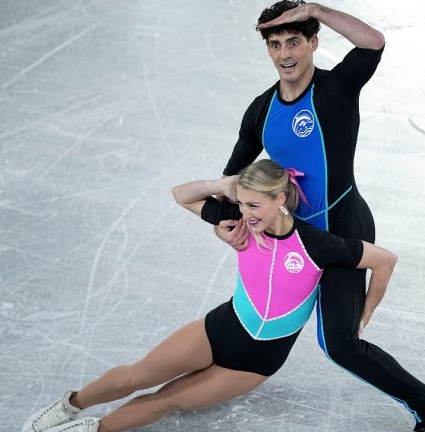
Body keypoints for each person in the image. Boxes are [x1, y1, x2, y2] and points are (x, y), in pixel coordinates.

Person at [216, 2, 425, 431]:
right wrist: (223, 222)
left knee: (339, 344)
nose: (285, 54)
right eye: (275, 44)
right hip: (295, 238)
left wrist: (313, 7)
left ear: (314, 42)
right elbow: (231, 179)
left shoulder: (336, 89)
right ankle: (213, 370)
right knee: (258, 314)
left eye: (294, 41)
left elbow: (373, 43)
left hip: (344, 229)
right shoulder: (261, 110)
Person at [21, 159, 398, 432]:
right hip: (219, 330)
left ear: (280, 199)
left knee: (167, 400)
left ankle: (92, 431)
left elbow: (384, 261)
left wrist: (362, 316)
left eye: (255, 205)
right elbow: (181, 194)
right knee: (138, 376)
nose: (247, 214)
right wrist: (227, 185)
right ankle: (70, 405)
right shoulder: (238, 224)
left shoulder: (317, 244)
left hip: (256, 362)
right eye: (243, 203)